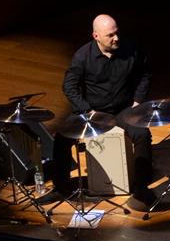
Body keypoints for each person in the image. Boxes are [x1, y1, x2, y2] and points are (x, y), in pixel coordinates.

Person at [57, 14, 155, 204]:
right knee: (62, 137)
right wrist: (86, 110)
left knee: (142, 134)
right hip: (92, 110)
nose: (116, 38)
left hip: (122, 108)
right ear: (96, 36)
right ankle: (61, 187)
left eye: (117, 33)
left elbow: (145, 74)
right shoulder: (83, 56)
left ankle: (141, 186)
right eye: (110, 35)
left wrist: (137, 101)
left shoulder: (131, 49)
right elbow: (69, 86)